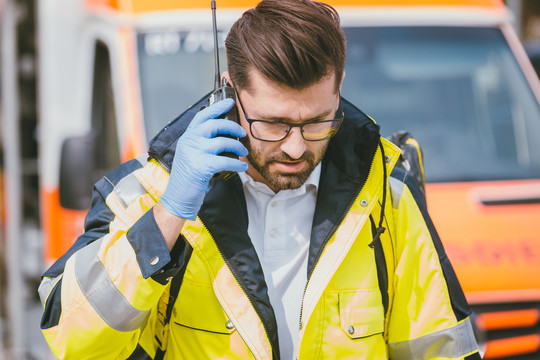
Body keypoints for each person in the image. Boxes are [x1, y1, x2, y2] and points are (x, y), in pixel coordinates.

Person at [39, 0, 481, 359]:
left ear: (340, 84)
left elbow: (441, 351)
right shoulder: (145, 195)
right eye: (273, 123)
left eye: (316, 122)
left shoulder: (388, 199)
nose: (294, 147)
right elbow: (74, 343)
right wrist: (169, 216)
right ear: (230, 91)